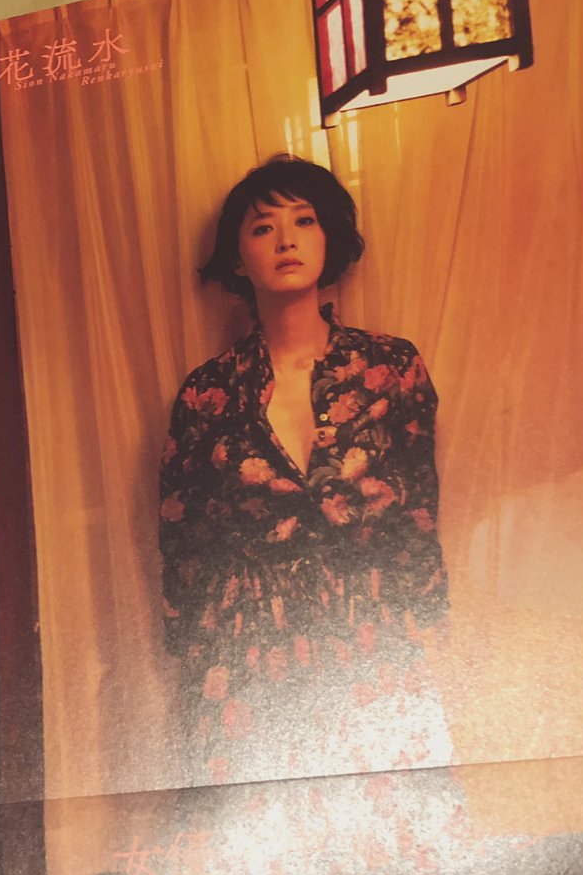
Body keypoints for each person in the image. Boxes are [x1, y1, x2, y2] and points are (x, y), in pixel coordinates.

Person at [160, 155, 451, 785]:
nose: (286, 239)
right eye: (263, 227)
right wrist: (190, 649)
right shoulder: (207, 393)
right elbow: (183, 537)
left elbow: (419, 509)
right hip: (246, 641)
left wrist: (428, 617)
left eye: (305, 220)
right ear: (238, 260)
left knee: (386, 813)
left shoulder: (389, 368)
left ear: (329, 240)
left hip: (370, 624)